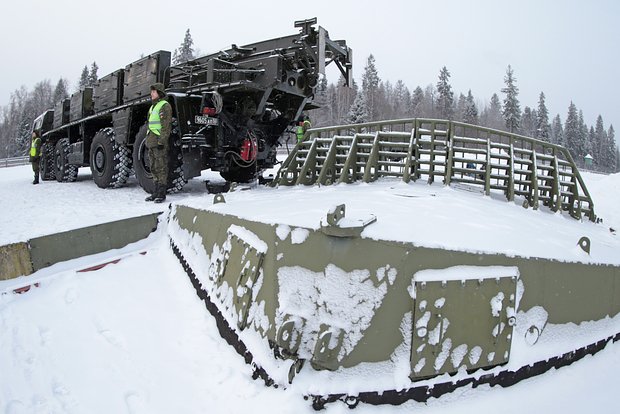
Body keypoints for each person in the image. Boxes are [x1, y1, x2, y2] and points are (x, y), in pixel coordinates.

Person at [144, 83, 172, 203]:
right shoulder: (152, 107)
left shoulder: (164, 106)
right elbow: (150, 125)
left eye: (154, 92)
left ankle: (161, 192)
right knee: (153, 167)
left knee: (161, 167)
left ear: (159, 93)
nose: (151, 94)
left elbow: (166, 126)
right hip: (151, 141)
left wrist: (162, 141)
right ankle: (156, 191)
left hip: (159, 142)